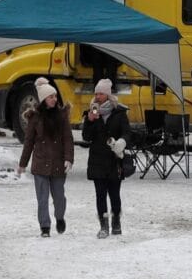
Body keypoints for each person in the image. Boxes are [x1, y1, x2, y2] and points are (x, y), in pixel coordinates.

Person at [17, 78, 74, 237]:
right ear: (43, 99)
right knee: (42, 199)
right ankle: (45, 227)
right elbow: (28, 142)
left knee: (59, 198)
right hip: (40, 164)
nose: (55, 99)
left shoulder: (62, 116)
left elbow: (68, 138)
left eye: (55, 96)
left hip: (58, 164)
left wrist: (68, 158)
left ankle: (60, 217)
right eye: (51, 97)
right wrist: (22, 164)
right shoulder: (34, 117)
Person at [82, 78, 131, 238]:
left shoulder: (119, 112)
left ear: (108, 95)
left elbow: (127, 133)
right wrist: (89, 121)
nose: (97, 96)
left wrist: (121, 142)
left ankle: (116, 219)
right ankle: (103, 225)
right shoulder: (91, 112)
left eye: (101, 93)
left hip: (113, 160)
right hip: (97, 160)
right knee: (100, 195)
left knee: (115, 195)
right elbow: (86, 137)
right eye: (96, 93)